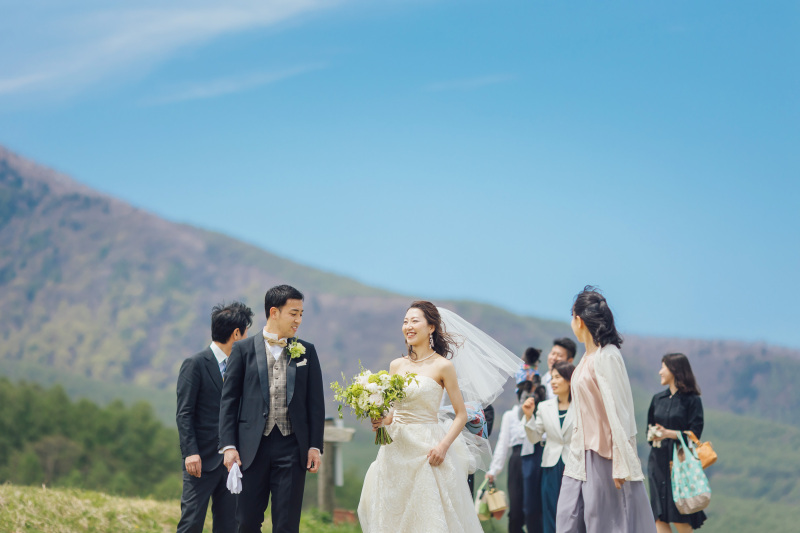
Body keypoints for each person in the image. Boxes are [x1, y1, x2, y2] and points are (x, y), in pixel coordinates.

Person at [358, 301, 519, 533]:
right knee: (392, 514)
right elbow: (393, 411)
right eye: (405, 322)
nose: (408, 326)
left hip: (427, 448)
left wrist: (443, 447)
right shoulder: (396, 365)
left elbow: (461, 415)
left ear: (431, 327)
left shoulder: (443, 366)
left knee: (428, 517)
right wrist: (381, 421)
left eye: (415, 321)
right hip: (394, 448)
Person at [219, 285, 325, 533]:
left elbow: (315, 404)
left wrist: (314, 446)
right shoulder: (243, 350)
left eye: (301, 314)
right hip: (250, 449)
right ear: (274, 312)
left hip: (292, 447)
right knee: (246, 521)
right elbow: (229, 401)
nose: (298, 320)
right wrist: (229, 446)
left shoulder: (306, 351)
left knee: (287, 525)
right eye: (293, 313)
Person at [557, 286, 655, 533]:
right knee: (567, 518)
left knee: (606, 524)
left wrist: (622, 462)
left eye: (572, 316)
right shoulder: (585, 359)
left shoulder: (608, 356)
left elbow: (622, 413)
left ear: (578, 319)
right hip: (580, 455)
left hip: (605, 457)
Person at [176, 302, 253, 533]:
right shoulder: (195, 364)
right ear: (236, 334)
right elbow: (184, 412)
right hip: (200, 462)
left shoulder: (242, 367)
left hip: (232, 464)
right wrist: (190, 452)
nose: (248, 338)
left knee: (229, 526)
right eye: (246, 332)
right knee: (191, 524)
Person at [647, 353, 706, 532]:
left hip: (680, 465)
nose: (660, 372)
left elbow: (695, 434)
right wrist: (654, 434)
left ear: (674, 370)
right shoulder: (658, 399)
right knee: (659, 517)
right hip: (657, 462)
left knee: (680, 517)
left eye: (663, 367)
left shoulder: (692, 400)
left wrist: (669, 433)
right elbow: (648, 429)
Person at [522, 361, 575, 533]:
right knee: (551, 511)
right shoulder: (544, 407)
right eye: (552, 378)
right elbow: (534, 437)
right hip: (551, 467)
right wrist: (528, 417)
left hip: (574, 466)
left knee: (573, 512)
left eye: (558, 377)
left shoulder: (582, 407)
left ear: (569, 380)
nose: (553, 382)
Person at [486, 381, 535, 533]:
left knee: (534, 508)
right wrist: (494, 470)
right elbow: (502, 443)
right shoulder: (510, 415)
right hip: (517, 460)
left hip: (534, 459)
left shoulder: (538, 413)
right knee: (515, 508)